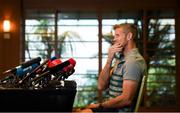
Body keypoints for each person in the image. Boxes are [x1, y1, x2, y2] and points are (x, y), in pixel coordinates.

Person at [77, 23, 147, 112]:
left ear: (129, 36)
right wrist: (109, 59)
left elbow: (126, 99)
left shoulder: (133, 62)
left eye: (117, 35)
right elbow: (101, 86)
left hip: (118, 111)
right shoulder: (121, 59)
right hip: (111, 108)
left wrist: (100, 105)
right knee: (80, 110)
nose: (114, 39)